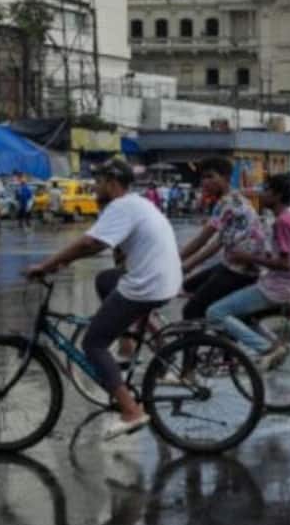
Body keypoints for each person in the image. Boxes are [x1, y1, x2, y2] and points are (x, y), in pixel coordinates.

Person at [25, 159, 184, 442]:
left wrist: (48, 264)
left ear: (112, 183)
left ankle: (130, 411)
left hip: (148, 284)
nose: (94, 188)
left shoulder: (120, 206)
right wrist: (66, 262)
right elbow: (112, 251)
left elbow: (90, 243)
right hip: (163, 280)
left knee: (93, 342)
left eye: (98, 182)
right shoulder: (138, 203)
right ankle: (127, 337)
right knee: (106, 280)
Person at [205, 173, 290, 372]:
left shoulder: (282, 223)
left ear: (277, 195)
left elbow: (285, 263)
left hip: (278, 287)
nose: (262, 194)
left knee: (215, 312)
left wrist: (247, 258)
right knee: (242, 315)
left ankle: (266, 347)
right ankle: (275, 345)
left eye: (267, 190)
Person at [178, 162, 264, 322]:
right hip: (233, 265)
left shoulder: (228, 202)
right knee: (190, 285)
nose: (205, 182)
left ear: (225, 178)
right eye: (202, 177)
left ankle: (198, 343)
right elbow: (217, 243)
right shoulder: (234, 198)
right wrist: (187, 266)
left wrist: (174, 261)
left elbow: (202, 239)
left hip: (240, 270)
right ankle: (214, 332)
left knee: (191, 310)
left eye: (210, 176)